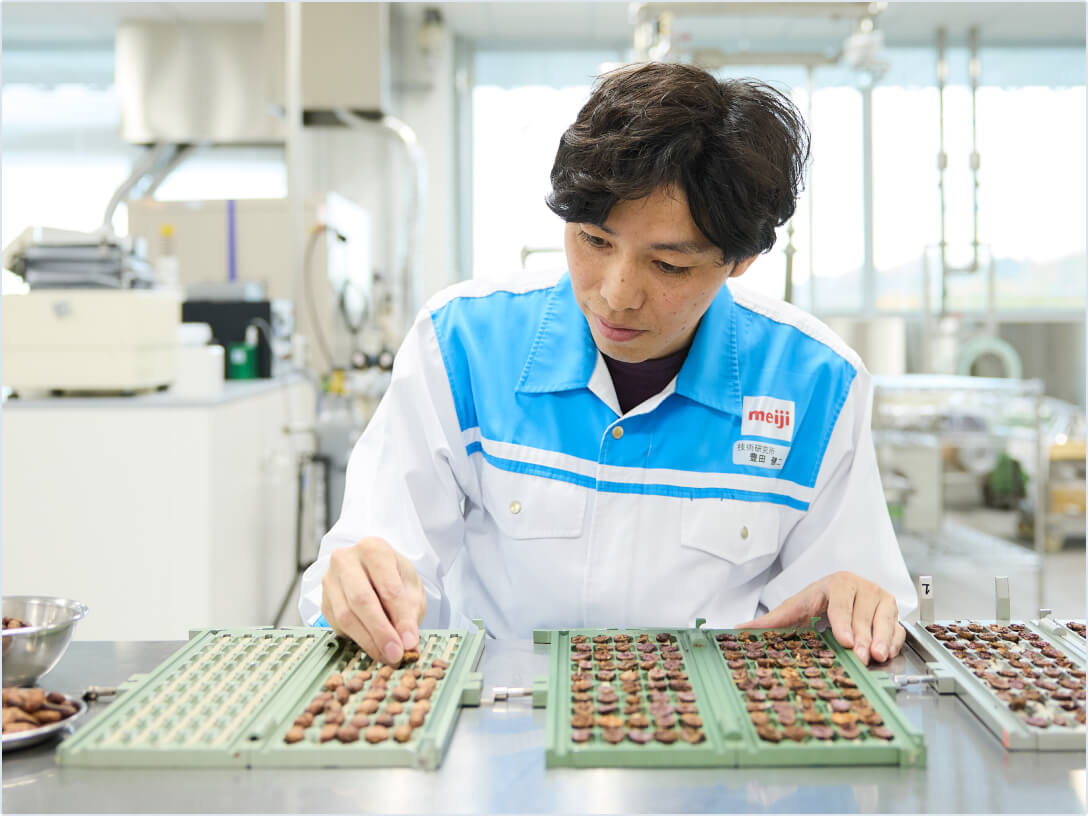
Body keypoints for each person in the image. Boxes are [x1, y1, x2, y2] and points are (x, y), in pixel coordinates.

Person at [299, 61, 917, 668]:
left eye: (669, 265)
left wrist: (857, 607)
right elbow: (378, 551)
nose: (617, 293)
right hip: (496, 733)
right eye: (594, 241)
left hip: (713, 746)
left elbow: (855, 600)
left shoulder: (815, 384)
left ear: (740, 261)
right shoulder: (461, 344)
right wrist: (360, 584)